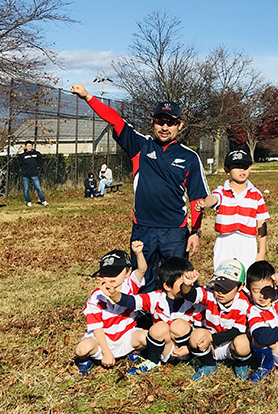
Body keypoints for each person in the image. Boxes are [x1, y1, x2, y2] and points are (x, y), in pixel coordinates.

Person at [71, 84, 209, 293]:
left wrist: (196, 232)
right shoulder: (140, 146)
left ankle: (177, 314)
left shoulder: (190, 157)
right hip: (143, 229)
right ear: (153, 123)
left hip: (175, 231)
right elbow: (115, 120)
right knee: (142, 283)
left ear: (180, 125)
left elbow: (198, 199)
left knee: (178, 285)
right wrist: (88, 97)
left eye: (171, 123)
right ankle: (145, 314)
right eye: (160, 122)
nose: (165, 127)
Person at [99, 256, 204, 376]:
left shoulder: (196, 300)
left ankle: (194, 358)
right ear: (167, 286)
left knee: (179, 325)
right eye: (183, 283)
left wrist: (190, 349)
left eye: (190, 283)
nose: (188, 286)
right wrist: (113, 294)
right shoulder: (156, 298)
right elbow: (131, 301)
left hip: (187, 348)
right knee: (159, 327)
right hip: (166, 348)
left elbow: (201, 330)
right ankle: (153, 360)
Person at [74, 243, 148, 375]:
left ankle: (135, 352)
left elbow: (142, 269)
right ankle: (85, 361)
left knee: (146, 337)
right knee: (81, 350)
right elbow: (97, 328)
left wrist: (138, 253)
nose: (110, 277)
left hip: (125, 336)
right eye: (106, 273)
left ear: (128, 272)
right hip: (103, 339)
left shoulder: (130, 285)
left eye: (115, 273)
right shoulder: (96, 297)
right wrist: (107, 352)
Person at [195, 149, 269, 271]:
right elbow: (213, 198)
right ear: (227, 170)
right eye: (236, 166)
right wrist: (205, 204)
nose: (241, 170)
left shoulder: (256, 194)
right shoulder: (222, 191)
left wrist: (261, 252)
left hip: (248, 241)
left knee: (246, 275)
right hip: (225, 240)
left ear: (250, 167)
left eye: (245, 166)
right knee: (222, 274)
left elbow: (262, 223)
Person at [184, 259, 254, 381]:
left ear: (240, 286)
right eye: (217, 286)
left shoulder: (244, 302)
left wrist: (211, 338)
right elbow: (191, 294)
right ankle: (209, 364)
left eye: (226, 288)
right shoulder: (210, 293)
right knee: (196, 337)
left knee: (243, 343)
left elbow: (237, 331)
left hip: (231, 344)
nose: (220, 292)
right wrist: (187, 285)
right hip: (212, 345)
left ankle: (241, 364)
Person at [18, 140, 47, 207]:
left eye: (30, 146)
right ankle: (28, 201)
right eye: (28, 146)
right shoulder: (22, 155)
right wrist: (23, 170)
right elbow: (20, 164)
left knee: (38, 188)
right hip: (25, 175)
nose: (29, 147)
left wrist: (38, 167)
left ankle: (43, 201)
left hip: (34, 174)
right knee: (26, 189)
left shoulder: (36, 154)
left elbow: (40, 161)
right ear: (25, 147)